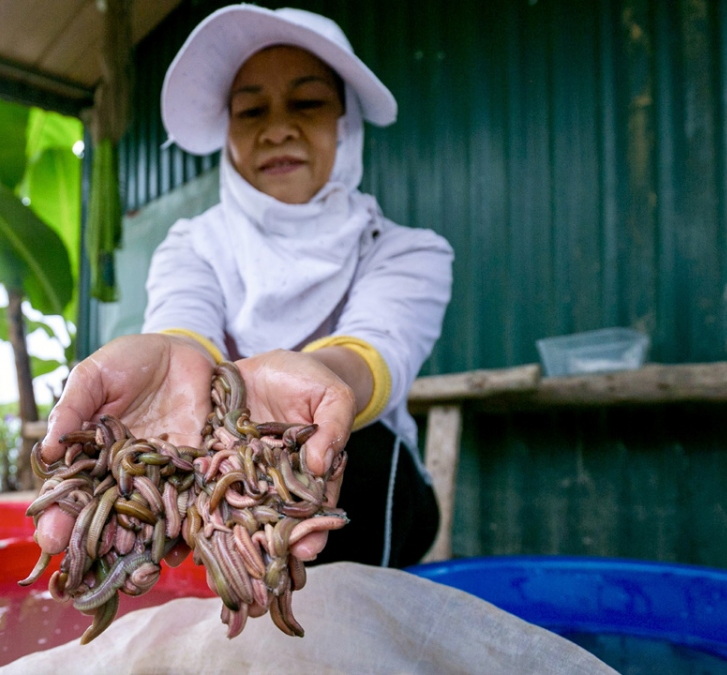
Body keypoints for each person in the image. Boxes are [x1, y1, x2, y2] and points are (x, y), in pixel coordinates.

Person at [37, 5, 453, 569]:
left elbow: (379, 348)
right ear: (227, 134)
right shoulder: (192, 244)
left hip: (376, 495)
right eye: (251, 110)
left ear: (345, 124)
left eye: (308, 103)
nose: (277, 128)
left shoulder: (407, 250)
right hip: (225, 478)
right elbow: (184, 323)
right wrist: (181, 359)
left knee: (360, 445)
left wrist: (322, 392)